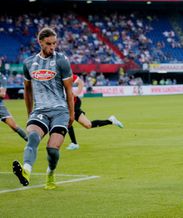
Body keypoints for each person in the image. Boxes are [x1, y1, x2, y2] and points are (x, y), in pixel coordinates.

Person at [12, 27, 75, 190]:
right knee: (32, 138)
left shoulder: (62, 60)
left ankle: (50, 173)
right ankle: (26, 171)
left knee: (52, 150)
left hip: (60, 111)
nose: (52, 47)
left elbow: (69, 90)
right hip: (39, 111)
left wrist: (72, 114)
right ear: (40, 42)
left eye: (55, 43)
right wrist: (29, 113)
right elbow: (27, 90)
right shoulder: (29, 63)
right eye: (49, 43)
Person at [66, 74, 124, 150]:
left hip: (74, 103)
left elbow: (80, 82)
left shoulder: (66, 74)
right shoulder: (50, 78)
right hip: (64, 105)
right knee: (88, 125)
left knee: (68, 120)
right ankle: (111, 121)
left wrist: (77, 93)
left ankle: (74, 143)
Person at [0, 72, 28, 141]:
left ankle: (31, 142)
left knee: (14, 126)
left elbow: (2, 94)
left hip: (0, 108)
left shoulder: (2, 78)